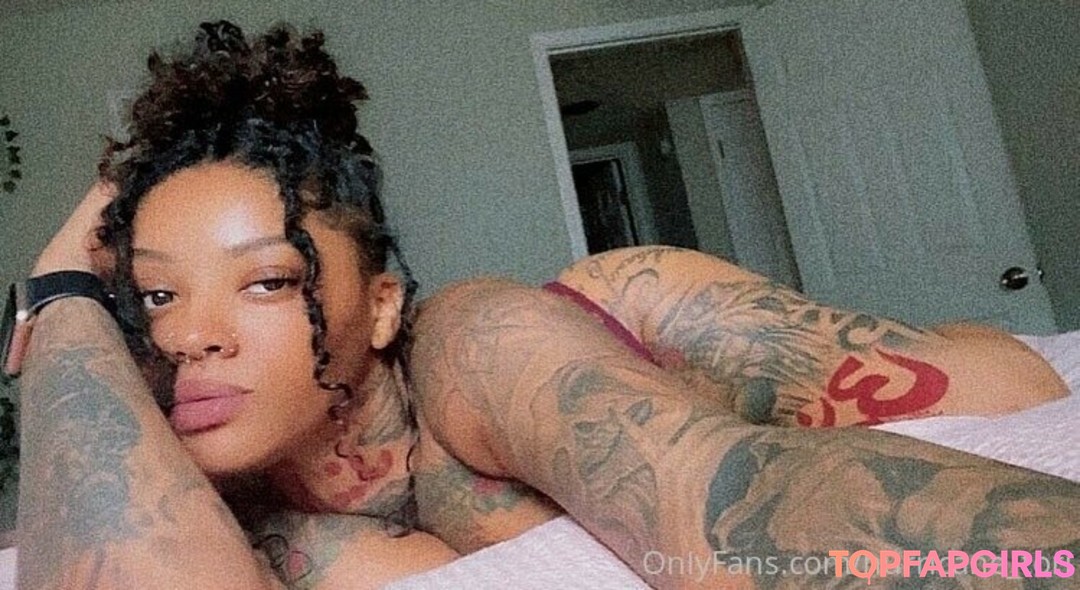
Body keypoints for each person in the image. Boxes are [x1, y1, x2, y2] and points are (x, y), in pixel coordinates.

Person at [13, 21, 1078, 589]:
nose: (189, 333)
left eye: (267, 279)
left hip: (626, 325)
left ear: (379, 307)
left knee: (1000, 373)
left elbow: (736, 505)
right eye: (153, 293)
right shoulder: (226, 505)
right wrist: (58, 296)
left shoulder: (474, 342)